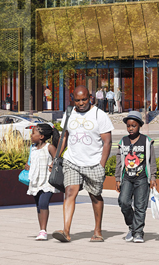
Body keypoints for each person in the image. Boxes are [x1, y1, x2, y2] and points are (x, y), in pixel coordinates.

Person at [56, 87, 113, 243]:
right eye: (77, 100)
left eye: (84, 99)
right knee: (69, 193)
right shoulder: (68, 114)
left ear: (91, 98)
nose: (81, 103)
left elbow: (107, 142)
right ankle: (66, 231)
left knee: (95, 196)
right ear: (73, 99)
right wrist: (56, 158)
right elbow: (64, 137)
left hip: (93, 163)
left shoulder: (100, 115)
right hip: (71, 161)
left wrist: (102, 164)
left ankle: (97, 231)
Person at [113, 112, 154, 243]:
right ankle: (132, 226)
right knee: (123, 202)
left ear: (140, 126)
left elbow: (152, 160)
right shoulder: (123, 141)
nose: (131, 128)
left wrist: (152, 177)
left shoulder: (146, 141)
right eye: (128, 126)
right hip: (127, 178)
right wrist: (117, 178)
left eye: (134, 126)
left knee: (140, 206)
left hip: (142, 178)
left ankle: (138, 233)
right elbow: (119, 161)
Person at [26, 122, 58, 241]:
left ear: (41, 136)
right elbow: (31, 161)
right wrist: (27, 165)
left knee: (44, 204)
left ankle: (43, 231)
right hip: (35, 181)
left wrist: (53, 164)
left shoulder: (49, 147)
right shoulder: (33, 148)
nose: (31, 136)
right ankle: (41, 229)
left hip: (47, 181)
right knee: (39, 206)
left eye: (33, 133)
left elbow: (58, 160)